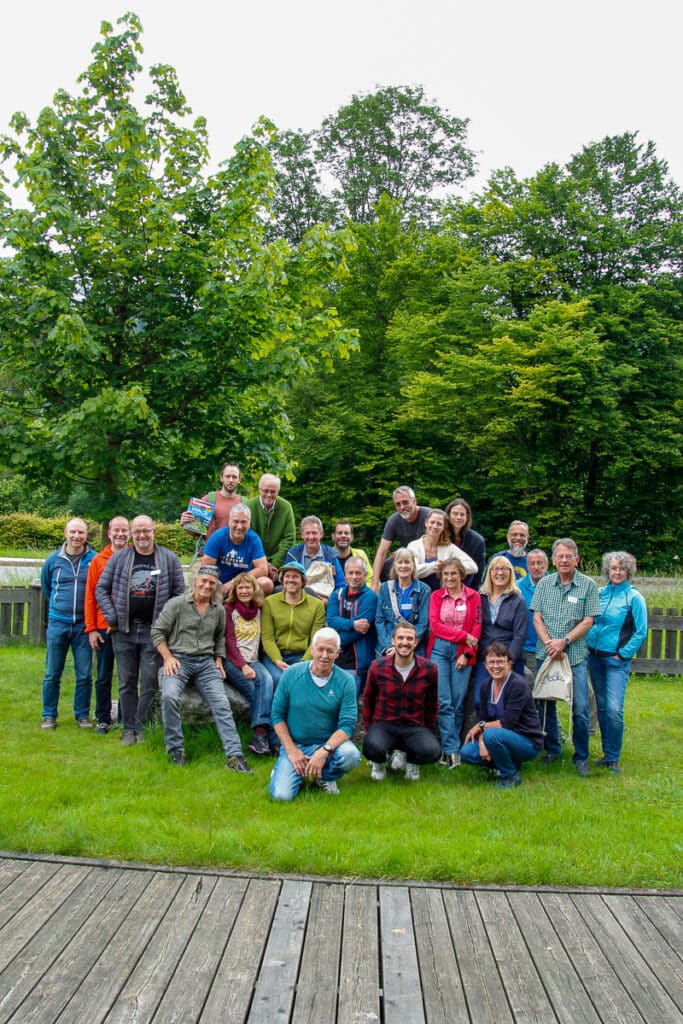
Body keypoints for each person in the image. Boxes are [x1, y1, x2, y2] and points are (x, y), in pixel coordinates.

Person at [151, 567, 252, 773]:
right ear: (195, 581)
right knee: (169, 696)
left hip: (206, 663)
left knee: (222, 703)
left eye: (212, 583)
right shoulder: (177, 604)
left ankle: (234, 756)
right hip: (179, 659)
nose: (207, 586)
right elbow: (157, 632)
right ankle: (176, 751)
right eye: (204, 581)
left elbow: (220, 638)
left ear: (216, 587)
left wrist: (218, 659)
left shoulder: (218, 610)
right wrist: (168, 657)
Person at [96, 515, 185, 745]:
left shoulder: (168, 558)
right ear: (132, 534)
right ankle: (128, 729)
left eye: (146, 531)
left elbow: (179, 594)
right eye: (137, 532)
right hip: (123, 630)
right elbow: (101, 589)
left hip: (153, 632)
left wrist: (166, 623)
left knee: (148, 681)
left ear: (154, 531)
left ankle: (142, 727)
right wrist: (112, 616)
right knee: (126, 681)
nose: (142, 536)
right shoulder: (120, 558)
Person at [531, 537, 601, 775]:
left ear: (577, 559)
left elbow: (589, 620)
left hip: (575, 656)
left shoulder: (588, 585)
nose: (563, 560)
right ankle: (552, 749)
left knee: (580, 707)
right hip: (546, 654)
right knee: (546, 704)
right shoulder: (544, 584)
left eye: (568, 556)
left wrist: (565, 641)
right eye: (559, 556)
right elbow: (537, 617)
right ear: (553, 559)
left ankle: (581, 756)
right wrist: (550, 643)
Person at [269, 628, 361, 800]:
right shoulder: (291, 674)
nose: (324, 655)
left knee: (351, 755)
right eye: (320, 649)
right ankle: (283, 769)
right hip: (297, 744)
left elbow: (347, 725)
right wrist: (291, 750)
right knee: (282, 796)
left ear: (337, 653)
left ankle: (325, 777)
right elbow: (277, 716)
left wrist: (324, 751)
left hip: (328, 745)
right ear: (312, 649)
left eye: (330, 651)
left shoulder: (346, 681)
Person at [587, 551, 648, 773]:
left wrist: (622, 654)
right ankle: (607, 752)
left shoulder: (634, 598)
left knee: (613, 708)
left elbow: (641, 632)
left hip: (616, 661)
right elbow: (590, 620)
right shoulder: (600, 593)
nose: (617, 572)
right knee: (602, 706)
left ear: (628, 571)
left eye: (622, 568)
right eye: (613, 568)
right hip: (594, 657)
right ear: (607, 570)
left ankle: (613, 756)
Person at [363, 621, 440, 782]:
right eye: (401, 638)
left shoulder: (429, 669)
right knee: (371, 746)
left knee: (432, 751)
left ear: (416, 642)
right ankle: (379, 763)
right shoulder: (377, 667)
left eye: (409, 639)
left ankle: (411, 762)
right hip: (384, 724)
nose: (405, 642)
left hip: (413, 726)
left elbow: (432, 703)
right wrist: (369, 729)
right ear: (393, 640)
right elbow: (368, 699)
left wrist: (427, 729)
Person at [461, 642, 544, 789]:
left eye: (500, 662)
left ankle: (510, 775)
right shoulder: (486, 686)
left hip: (527, 741)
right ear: (485, 665)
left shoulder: (518, 684)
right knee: (466, 752)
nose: (496, 666)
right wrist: (481, 743)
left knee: (492, 734)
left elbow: (507, 723)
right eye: (491, 662)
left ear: (509, 664)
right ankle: (507, 763)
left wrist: (482, 728)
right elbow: (483, 719)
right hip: (499, 737)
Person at [40, 517, 97, 730]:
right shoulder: (53, 560)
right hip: (58, 624)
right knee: (52, 673)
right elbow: (47, 587)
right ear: (65, 533)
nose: (76, 536)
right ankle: (48, 715)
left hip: (84, 625)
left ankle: (82, 715)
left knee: (84, 674)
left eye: (80, 533)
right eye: (73, 532)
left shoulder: (94, 559)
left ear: (86, 535)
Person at [427, 556, 482, 768]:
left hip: (463, 653)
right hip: (439, 651)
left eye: (453, 574)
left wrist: (467, 651)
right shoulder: (436, 596)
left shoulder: (473, 597)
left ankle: (452, 748)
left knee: (458, 703)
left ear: (461, 575)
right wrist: (463, 636)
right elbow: (435, 625)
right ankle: (452, 751)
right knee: (444, 701)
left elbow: (477, 628)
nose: (449, 578)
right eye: (446, 574)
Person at [84, 515, 131, 733]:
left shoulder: (135, 557)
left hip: (128, 626)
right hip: (103, 627)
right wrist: (91, 629)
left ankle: (124, 717)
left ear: (129, 533)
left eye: (124, 530)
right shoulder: (98, 560)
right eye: (116, 530)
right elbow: (91, 597)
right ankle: (103, 717)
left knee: (127, 675)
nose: (120, 534)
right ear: (109, 533)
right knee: (103, 675)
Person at [223, 572, 278, 756]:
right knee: (257, 691)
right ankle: (268, 737)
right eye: (241, 588)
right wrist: (243, 666)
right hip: (233, 661)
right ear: (235, 590)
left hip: (254, 660)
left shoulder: (259, 611)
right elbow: (229, 642)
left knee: (268, 682)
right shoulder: (228, 610)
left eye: (248, 587)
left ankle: (261, 738)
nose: (245, 591)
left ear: (254, 590)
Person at [260, 561, 326, 686]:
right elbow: (267, 637)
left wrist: (304, 662)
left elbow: (315, 640)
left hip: (301, 656)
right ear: (282, 579)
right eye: (287, 576)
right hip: (275, 655)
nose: (291, 580)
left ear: (303, 581)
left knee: (301, 681)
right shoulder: (269, 602)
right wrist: (277, 660)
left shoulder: (316, 605)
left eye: (295, 577)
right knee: (279, 679)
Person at [472, 556, 528, 701]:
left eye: (504, 569)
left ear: (510, 573)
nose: (500, 573)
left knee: (508, 701)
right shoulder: (480, 597)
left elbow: (520, 635)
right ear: (489, 573)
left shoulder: (517, 600)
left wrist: (508, 661)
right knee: (480, 700)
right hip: (485, 658)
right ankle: (487, 724)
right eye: (496, 569)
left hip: (508, 659)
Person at [326, 557, 378, 694]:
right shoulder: (336, 595)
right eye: (351, 573)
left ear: (365, 575)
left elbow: (360, 630)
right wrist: (352, 623)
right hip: (333, 656)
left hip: (355, 659)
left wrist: (334, 642)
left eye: (358, 573)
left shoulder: (370, 597)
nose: (354, 577)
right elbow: (331, 620)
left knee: (347, 701)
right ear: (345, 574)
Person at [201, 503, 273, 596]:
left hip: (243, 584)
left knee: (267, 584)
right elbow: (206, 569)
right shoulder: (217, 537)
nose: (239, 526)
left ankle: (243, 605)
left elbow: (263, 569)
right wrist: (217, 586)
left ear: (249, 524)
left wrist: (234, 583)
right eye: (236, 521)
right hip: (220, 585)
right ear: (229, 522)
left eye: (243, 522)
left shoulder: (254, 539)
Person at [371, 486, 431, 591]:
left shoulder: (430, 515)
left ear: (414, 501)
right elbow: (381, 552)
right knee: (387, 565)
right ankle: (393, 596)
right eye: (398, 504)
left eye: (405, 502)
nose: (402, 507)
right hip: (408, 558)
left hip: (428, 558)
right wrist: (375, 584)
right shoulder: (393, 520)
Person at [375, 548, 431, 658]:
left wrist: (404, 646)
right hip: (388, 646)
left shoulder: (424, 590)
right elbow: (379, 620)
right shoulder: (385, 588)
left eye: (407, 562)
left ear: (413, 566)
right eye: (400, 562)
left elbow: (423, 623)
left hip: (413, 647)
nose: (403, 566)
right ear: (394, 566)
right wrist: (390, 645)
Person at [408, 508, 478, 592]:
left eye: (439, 524)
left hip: (441, 593)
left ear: (444, 527)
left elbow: (473, 567)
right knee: (432, 561)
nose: (435, 526)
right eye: (432, 522)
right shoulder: (414, 546)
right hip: (418, 591)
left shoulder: (448, 547)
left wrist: (447, 567)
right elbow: (411, 571)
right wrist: (434, 566)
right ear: (426, 523)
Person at [245, 474, 296, 580]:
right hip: (252, 560)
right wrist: (262, 564)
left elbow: (290, 538)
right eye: (265, 491)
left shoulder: (286, 507)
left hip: (276, 560)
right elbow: (245, 537)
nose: (269, 494)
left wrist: (274, 564)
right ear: (259, 489)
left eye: (273, 491)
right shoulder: (248, 506)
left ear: (278, 491)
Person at [285, 515, 344, 602]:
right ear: (302, 535)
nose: (311, 537)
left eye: (314, 533)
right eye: (307, 533)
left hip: (324, 599)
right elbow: (284, 580)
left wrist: (330, 601)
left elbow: (341, 584)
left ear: (321, 534)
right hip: (297, 597)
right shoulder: (293, 554)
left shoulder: (330, 555)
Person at [180, 461, 243, 538]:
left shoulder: (244, 503)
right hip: (210, 549)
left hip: (237, 549)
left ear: (239, 479)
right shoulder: (208, 500)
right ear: (221, 478)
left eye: (234, 477)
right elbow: (194, 532)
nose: (231, 480)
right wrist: (185, 523)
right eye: (227, 476)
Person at [518, 549, 549, 683]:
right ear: (527, 565)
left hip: (548, 647)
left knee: (549, 690)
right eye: (532, 564)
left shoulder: (556, 585)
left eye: (540, 563)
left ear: (546, 565)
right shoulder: (517, 587)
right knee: (532, 687)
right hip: (525, 647)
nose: (536, 567)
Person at [444, 498, 487, 590]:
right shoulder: (440, 537)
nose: (458, 517)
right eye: (455, 514)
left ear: (467, 517)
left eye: (462, 514)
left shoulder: (477, 541)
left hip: (466, 586)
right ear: (448, 515)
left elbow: (478, 573)